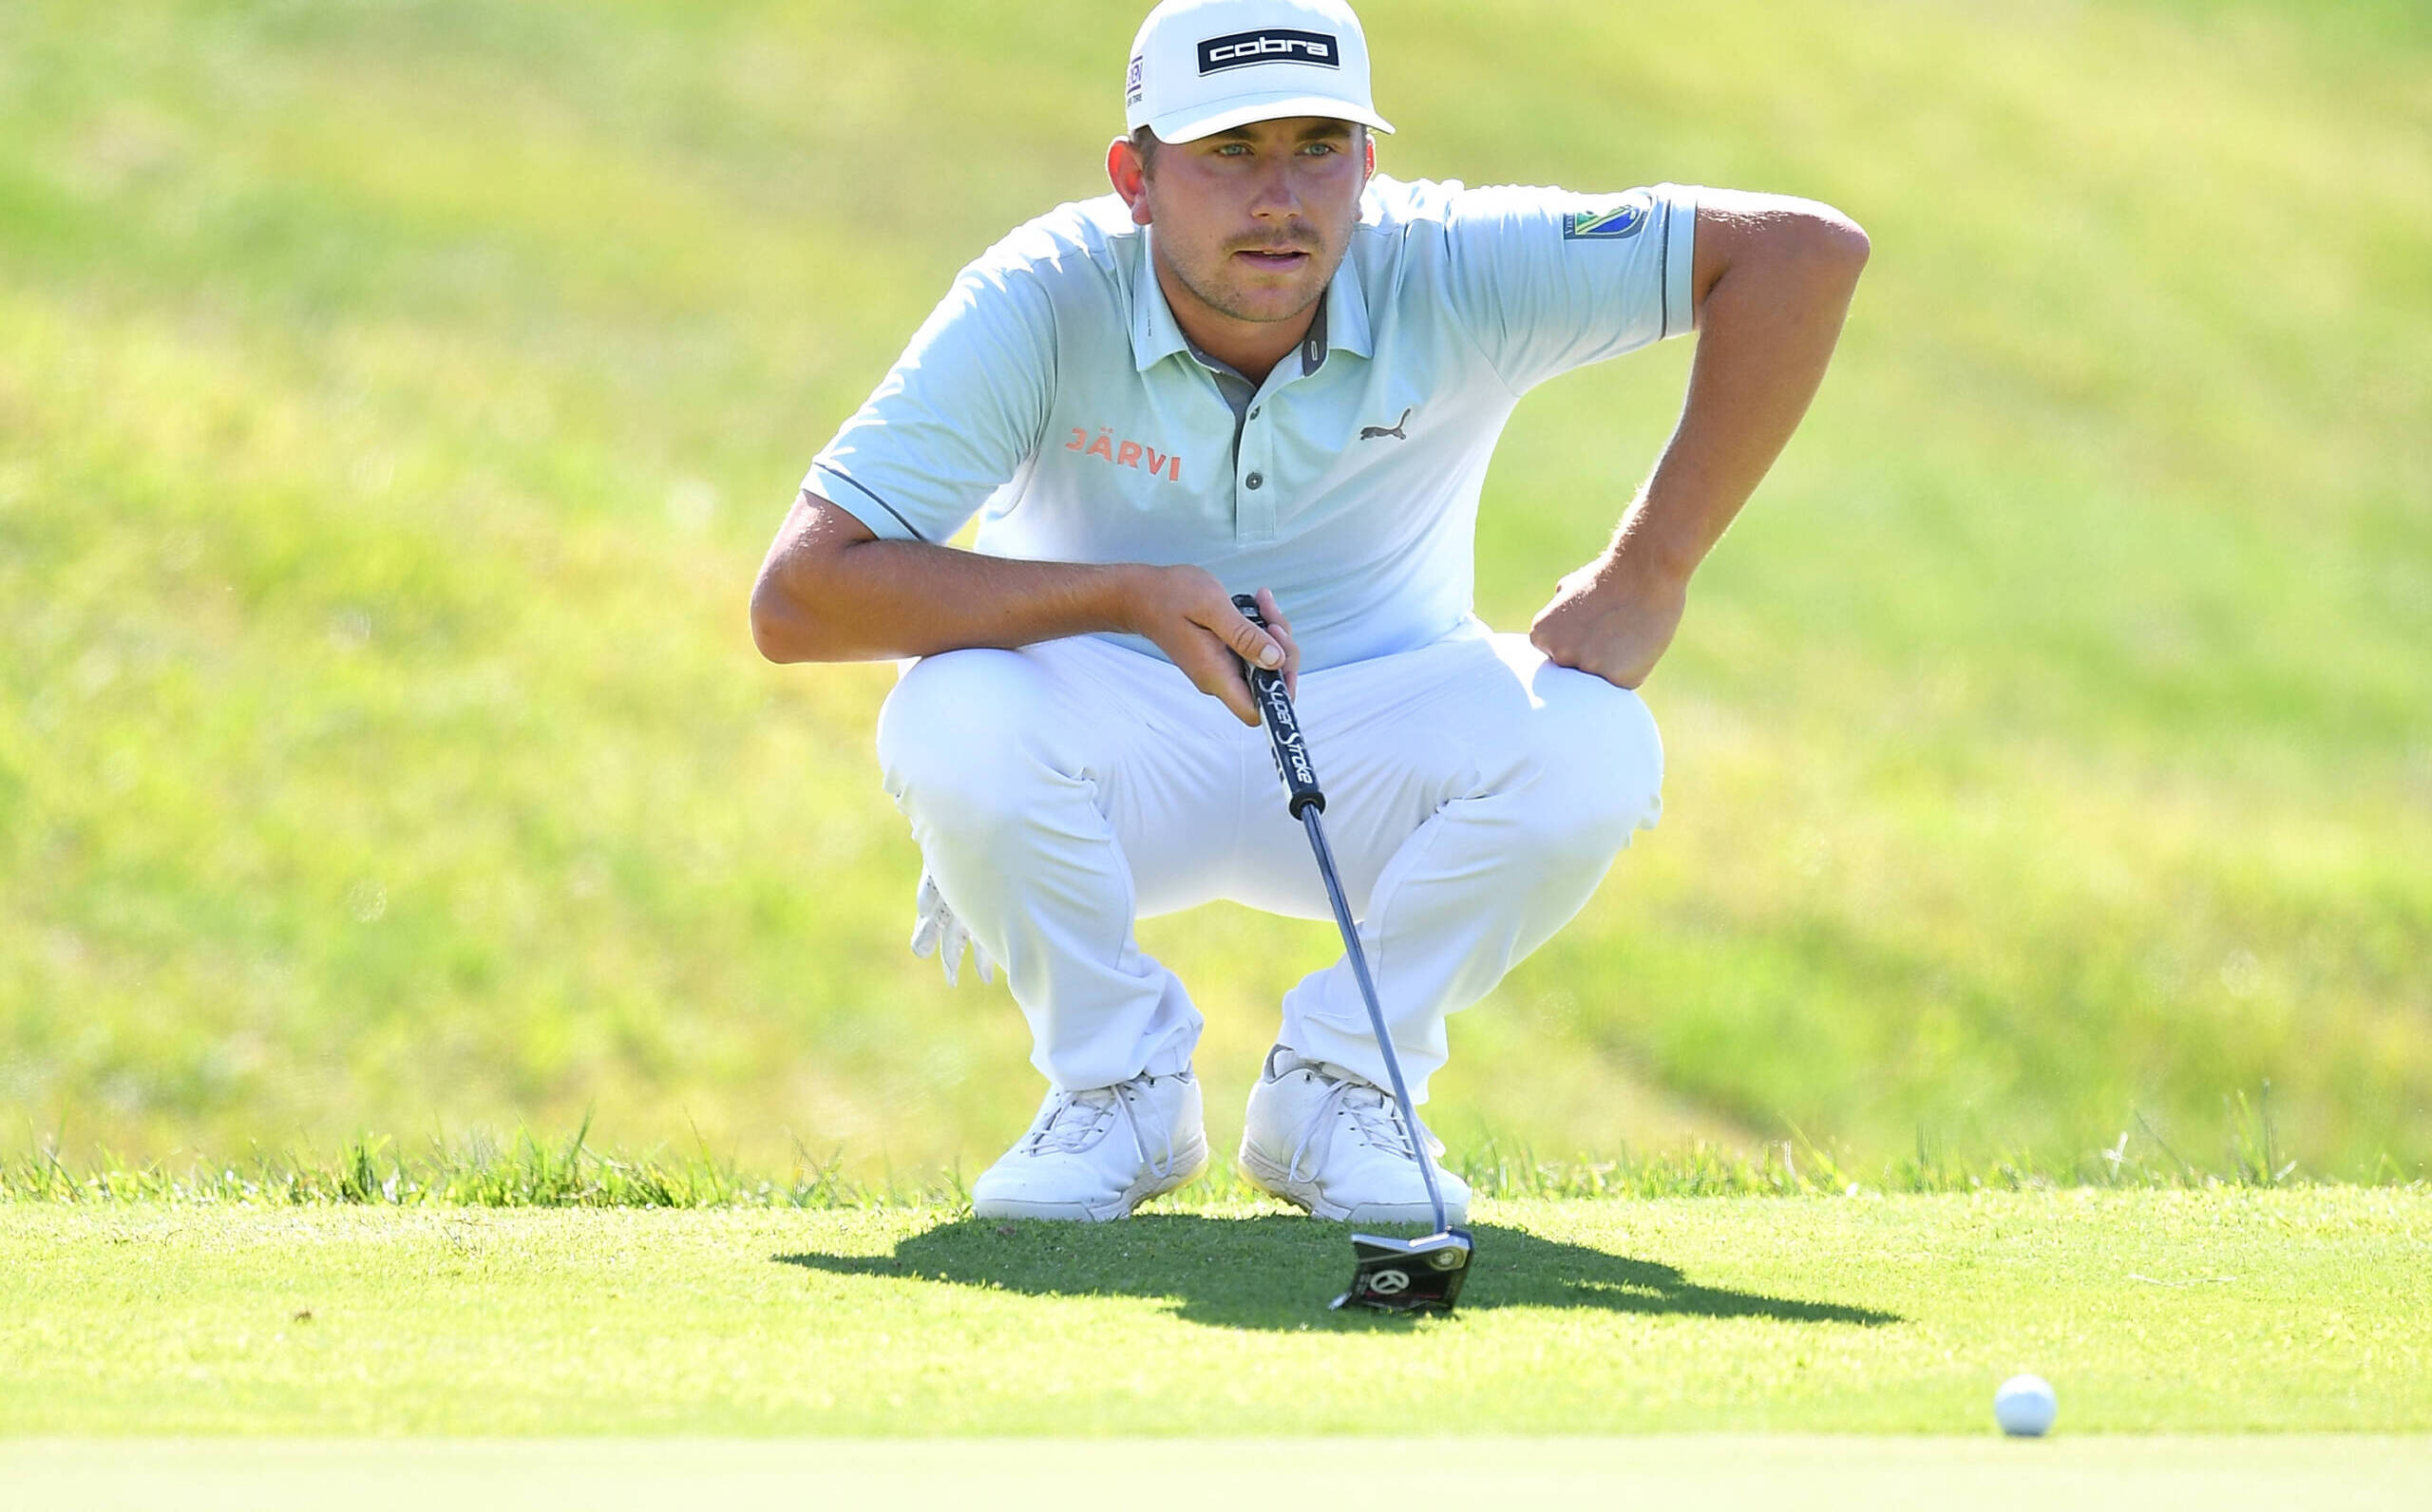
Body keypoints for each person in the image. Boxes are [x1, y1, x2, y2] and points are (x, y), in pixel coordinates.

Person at [750, 0, 1867, 1223]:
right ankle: (1116, 1088)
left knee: (1595, 742)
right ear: (1135, 178)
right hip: (1103, 757)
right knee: (951, 709)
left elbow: (1800, 254)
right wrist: (1124, 593)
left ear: (1368, 163)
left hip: (1381, 741)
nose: (1280, 198)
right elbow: (799, 595)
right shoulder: (1039, 294)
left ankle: (1341, 1088)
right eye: (1230, 152)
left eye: (1319, 147)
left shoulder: (1451, 259)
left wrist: (1651, 569)